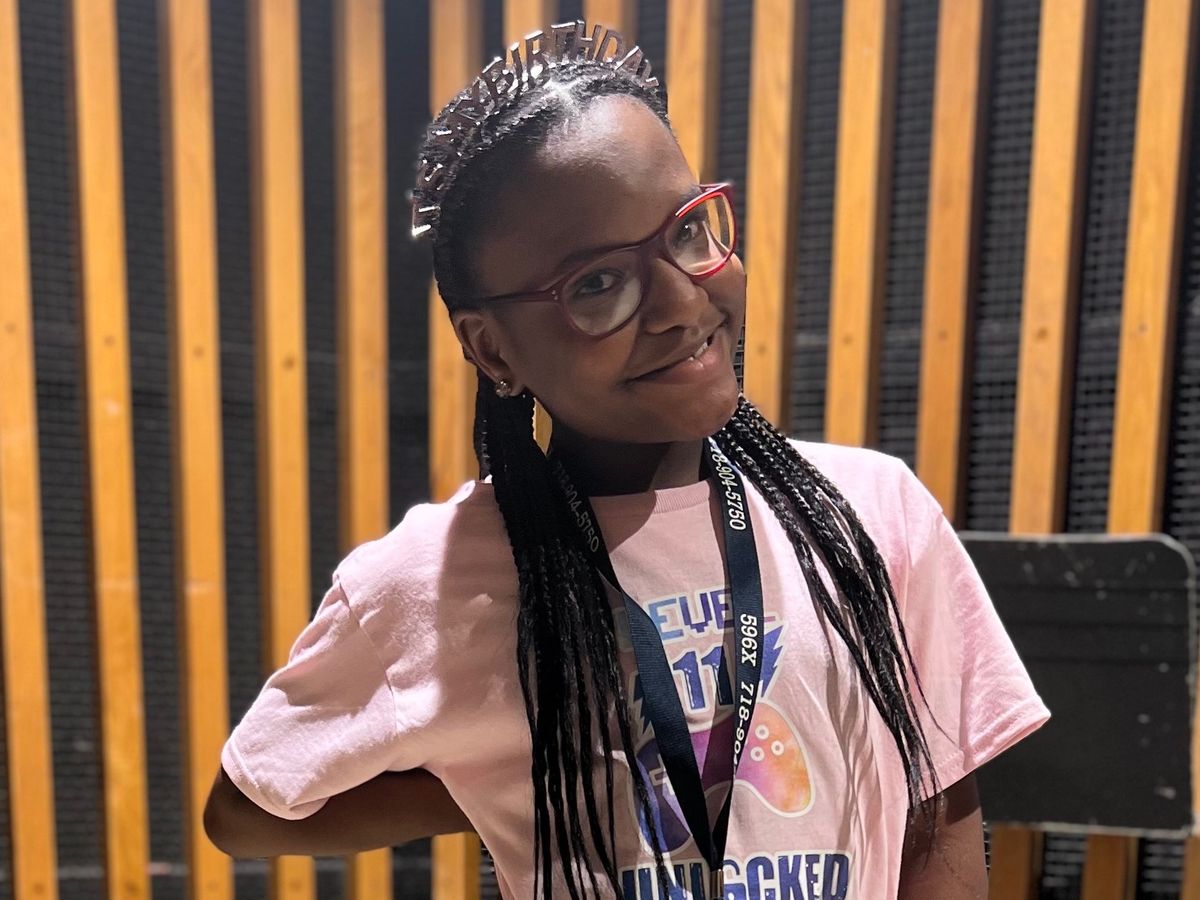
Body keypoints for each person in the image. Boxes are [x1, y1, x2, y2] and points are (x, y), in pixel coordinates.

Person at [204, 18, 1049, 899]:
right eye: (598, 284)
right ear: (492, 348)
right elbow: (245, 811)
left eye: (687, 233)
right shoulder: (426, 584)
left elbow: (940, 801)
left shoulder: (870, 513)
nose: (682, 303)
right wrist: (498, 785)